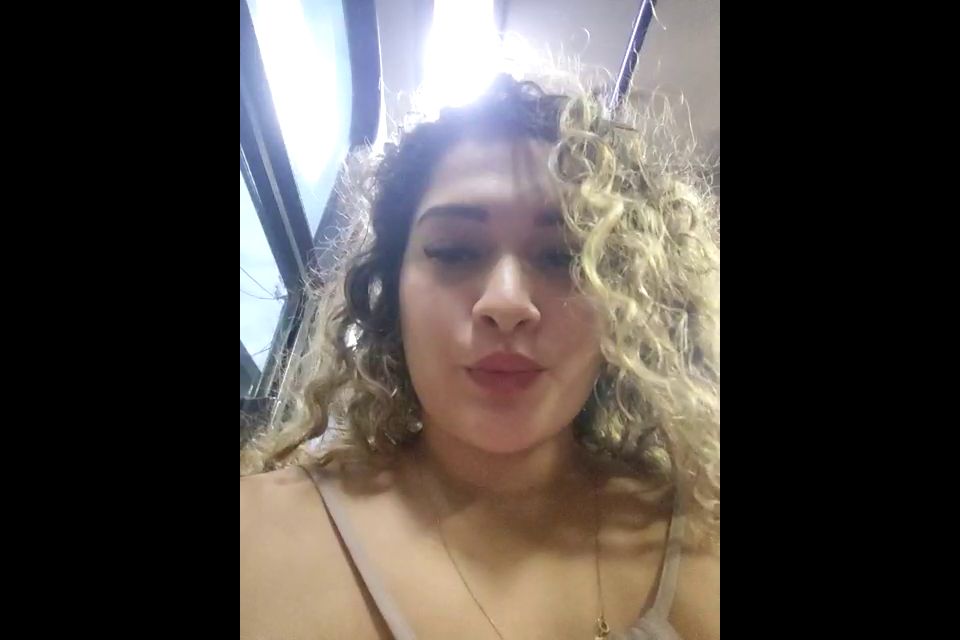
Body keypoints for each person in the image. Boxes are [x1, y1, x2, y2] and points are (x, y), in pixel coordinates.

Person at [240, 73, 719, 640]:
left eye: (565, 257)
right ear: (391, 296)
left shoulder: (701, 539)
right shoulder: (258, 537)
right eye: (453, 250)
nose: (507, 303)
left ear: (622, 301)